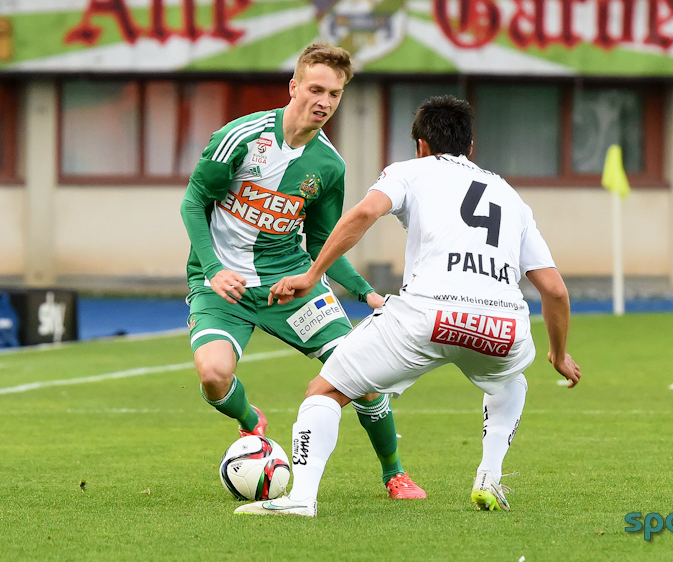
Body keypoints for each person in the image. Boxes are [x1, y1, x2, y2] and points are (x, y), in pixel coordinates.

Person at [234, 95, 581, 518]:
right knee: (511, 382)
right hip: (501, 325)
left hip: (426, 316)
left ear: (420, 144)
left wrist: (311, 275)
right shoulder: (510, 197)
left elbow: (364, 214)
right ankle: (489, 476)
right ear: (470, 147)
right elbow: (555, 291)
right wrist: (559, 354)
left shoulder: (409, 172)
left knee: (323, 391)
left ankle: (302, 498)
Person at [179, 42, 424, 500]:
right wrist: (212, 269)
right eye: (315, 90)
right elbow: (193, 203)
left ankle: (395, 473)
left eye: (335, 94)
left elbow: (323, 245)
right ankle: (251, 422)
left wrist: (366, 293)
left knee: (361, 376)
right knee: (213, 374)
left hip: (291, 287)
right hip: (222, 286)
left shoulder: (329, 166)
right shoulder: (241, 138)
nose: (324, 102)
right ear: (293, 87)